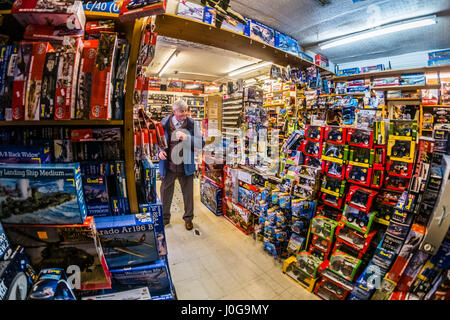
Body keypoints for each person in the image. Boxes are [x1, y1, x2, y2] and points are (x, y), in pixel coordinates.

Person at [158, 99, 201, 231]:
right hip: (169, 166)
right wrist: (159, 152)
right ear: (174, 110)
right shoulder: (164, 123)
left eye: (185, 111)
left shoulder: (192, 124)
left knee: (188, 195)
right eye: (181, 111)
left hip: (185, 166)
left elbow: (201, 143)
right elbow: (156, 141)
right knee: (165, 193)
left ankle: (188, 219)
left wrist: (188, 138)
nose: (184, 114)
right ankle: (165, 219)